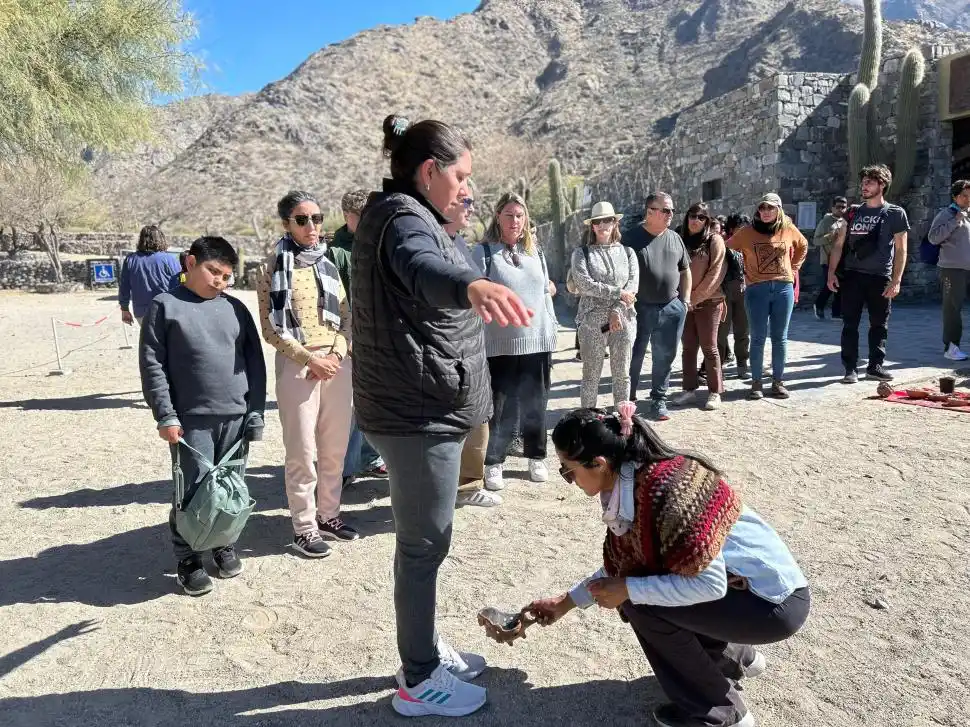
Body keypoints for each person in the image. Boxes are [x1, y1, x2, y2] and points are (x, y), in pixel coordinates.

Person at [352, 114, 530, 717]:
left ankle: (422, 648)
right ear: (429, 172)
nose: (466, 189)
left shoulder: (416, 215)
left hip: (421, 406)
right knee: (423, 546)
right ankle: (418, 679)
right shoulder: (402, 220)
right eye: (460, 176)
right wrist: (470, 287)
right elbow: (422, 269)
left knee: (428, 544)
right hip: (414, 414)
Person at [527, 405, 810, 727]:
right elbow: (629, 565)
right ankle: (737, 660)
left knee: (639, 600)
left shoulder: (667, 495)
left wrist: (628, 589)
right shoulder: (636, 482)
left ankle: (722, 713)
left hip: (773, 605)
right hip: (757, 595)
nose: (570, 480)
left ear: (599, 463)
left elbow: (708, 585)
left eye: (568, 470)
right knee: (643, 587)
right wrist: (566, 603)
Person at [139, 236, 267, 596]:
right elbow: (153, 367)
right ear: (190, 262)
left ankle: (222, 543)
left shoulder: (236, 309)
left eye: (227, 276)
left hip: (236, 418)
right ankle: (188, 558)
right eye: (214, 272)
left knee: (229, 487)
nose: (220, 282)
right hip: (190, 420)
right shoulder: (164, 307)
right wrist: (165, 415)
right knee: (192, 491)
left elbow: (255, 366)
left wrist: (255, 413)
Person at [256, 190, 357, 558]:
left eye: (316, 218)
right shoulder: (271, 268)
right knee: (302, 450)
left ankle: (329, 514)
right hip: (298, 367)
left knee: (335, 448)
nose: (312, 226)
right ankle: (304, 527)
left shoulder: (328, 265)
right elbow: (270, 327)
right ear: (287, 224)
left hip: (337, 364)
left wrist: (336, 354)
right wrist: (309, 359)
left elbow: (346, 319)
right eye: (302, 220)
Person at [472, 192, 559, 491]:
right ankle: (494, 462)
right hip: (500, 343)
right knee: (500, 405)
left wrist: (552, 328)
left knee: (538, 403)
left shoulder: (537, 253)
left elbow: (545, 293)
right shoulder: (483, 252)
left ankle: (536, 456)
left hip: (537, 341)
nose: (515, 221)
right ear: (498, 217)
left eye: (520, 215)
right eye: (509, 215)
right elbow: (476, 299)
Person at [827, 165, 910, 384]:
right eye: (863, 182)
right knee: (849, 324)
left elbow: (902, 250)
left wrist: (897, 280)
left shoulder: (895, 213)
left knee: (879, 325)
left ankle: (875, 367)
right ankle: (850, 369)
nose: (864, 186)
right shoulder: (853, 212)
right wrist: (831, 273)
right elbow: (838, 245)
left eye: (869, 182)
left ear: (882, 185)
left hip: (881, 276)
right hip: (853, 275)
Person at [445, 194, 502, 508]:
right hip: (449, 349)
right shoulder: (435, 245)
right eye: (463, 201)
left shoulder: (460, 244)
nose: (470, 207)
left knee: (479, 419)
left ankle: (469, 485)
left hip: (473, 345)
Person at [328, 189, 388, 486]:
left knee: (375, 401)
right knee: (349, 406)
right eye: (362, 217)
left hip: (378, 335)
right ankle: (343, 468)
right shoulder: (335, 252)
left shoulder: (378, 244)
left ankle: (369, 457)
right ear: (347, 216)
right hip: (348, 337)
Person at [727, 194, 808, 400]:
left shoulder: (788, 229)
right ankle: (756, 383)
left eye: (770, 208)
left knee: (780, 338)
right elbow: (726, 247)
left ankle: (778, 382)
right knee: (758, 338)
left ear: (778, 210)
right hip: (757, 290)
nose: (765, 212)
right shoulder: (746, 232)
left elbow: (803, 245)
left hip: (783, 289)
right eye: (762, 208)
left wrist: (793, 268)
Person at [626, 192, 692, 421]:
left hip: (671, 308)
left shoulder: (675, 237)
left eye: (671, 210)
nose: (670, 214)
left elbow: (685, 271)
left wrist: (684, 302)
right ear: (650, 211)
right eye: (665, 210)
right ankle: (628, 399)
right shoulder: (630, 238)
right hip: (639, 309)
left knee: (665, 357)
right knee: (633, 356)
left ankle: (658, 400)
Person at [571, 201, 638, 410]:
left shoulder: (628, 253)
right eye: (597, 221)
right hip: (592, 319)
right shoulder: (582, 253)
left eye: (607, 220)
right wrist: (618, 293)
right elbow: (584, 284)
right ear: (592, 226)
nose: (602, 225)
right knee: (591, 375)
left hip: (624, 317)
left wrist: (617, 309)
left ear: (615, 223)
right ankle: (587, 420)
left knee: (622, 374)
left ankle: (624, 419)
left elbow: (633, 285)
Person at [673, 203, 726, 411]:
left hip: (709, 302)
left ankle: (715, 391)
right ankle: (689, 389)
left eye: (701, 217)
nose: (695, 220)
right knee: (688, 348)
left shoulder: (714, 240)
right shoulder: (679, 240)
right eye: (692, 216)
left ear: (707, 221)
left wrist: (693, 298)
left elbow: (716, 274)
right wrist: (683, 299)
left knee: (710, 347)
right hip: (684, 303)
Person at [928, 179, 970, 362]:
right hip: (952, 269)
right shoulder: (947, 214)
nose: (968, 199)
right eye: (964, 196)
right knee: (952, 309)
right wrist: (954, 221)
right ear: (955, 196)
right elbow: (933, 238)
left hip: (965, 268)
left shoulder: (967, 214)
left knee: (958, 307)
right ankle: (951, 347)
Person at [119, 225, 182, 326]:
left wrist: (124, 309)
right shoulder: (169, 260)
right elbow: (180, 284)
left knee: (148, 340)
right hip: (167, 310)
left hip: (141, 312)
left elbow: (124, 287)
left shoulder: (131, 260)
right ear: (161, 239)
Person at [718, 214, 750, 379]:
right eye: (739, 228)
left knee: (743, 330)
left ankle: (742, 363)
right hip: (725, 293)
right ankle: (719, 365)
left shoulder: (750, 246)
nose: (743, 231)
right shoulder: (724, 246)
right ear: (732, 229)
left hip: (744, 294)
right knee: (721, 332)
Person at [811, 197, 847, 320]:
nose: (841, 209)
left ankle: (836, 313)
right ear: (832, 208)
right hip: (827, 259)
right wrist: (830, 237)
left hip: (842, 259)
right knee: (829, 285)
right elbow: (816, 240)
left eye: (843, 207)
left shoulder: (846, 222)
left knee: (840, 286)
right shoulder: (825, 221)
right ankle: (819, 304)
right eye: (838, 206)